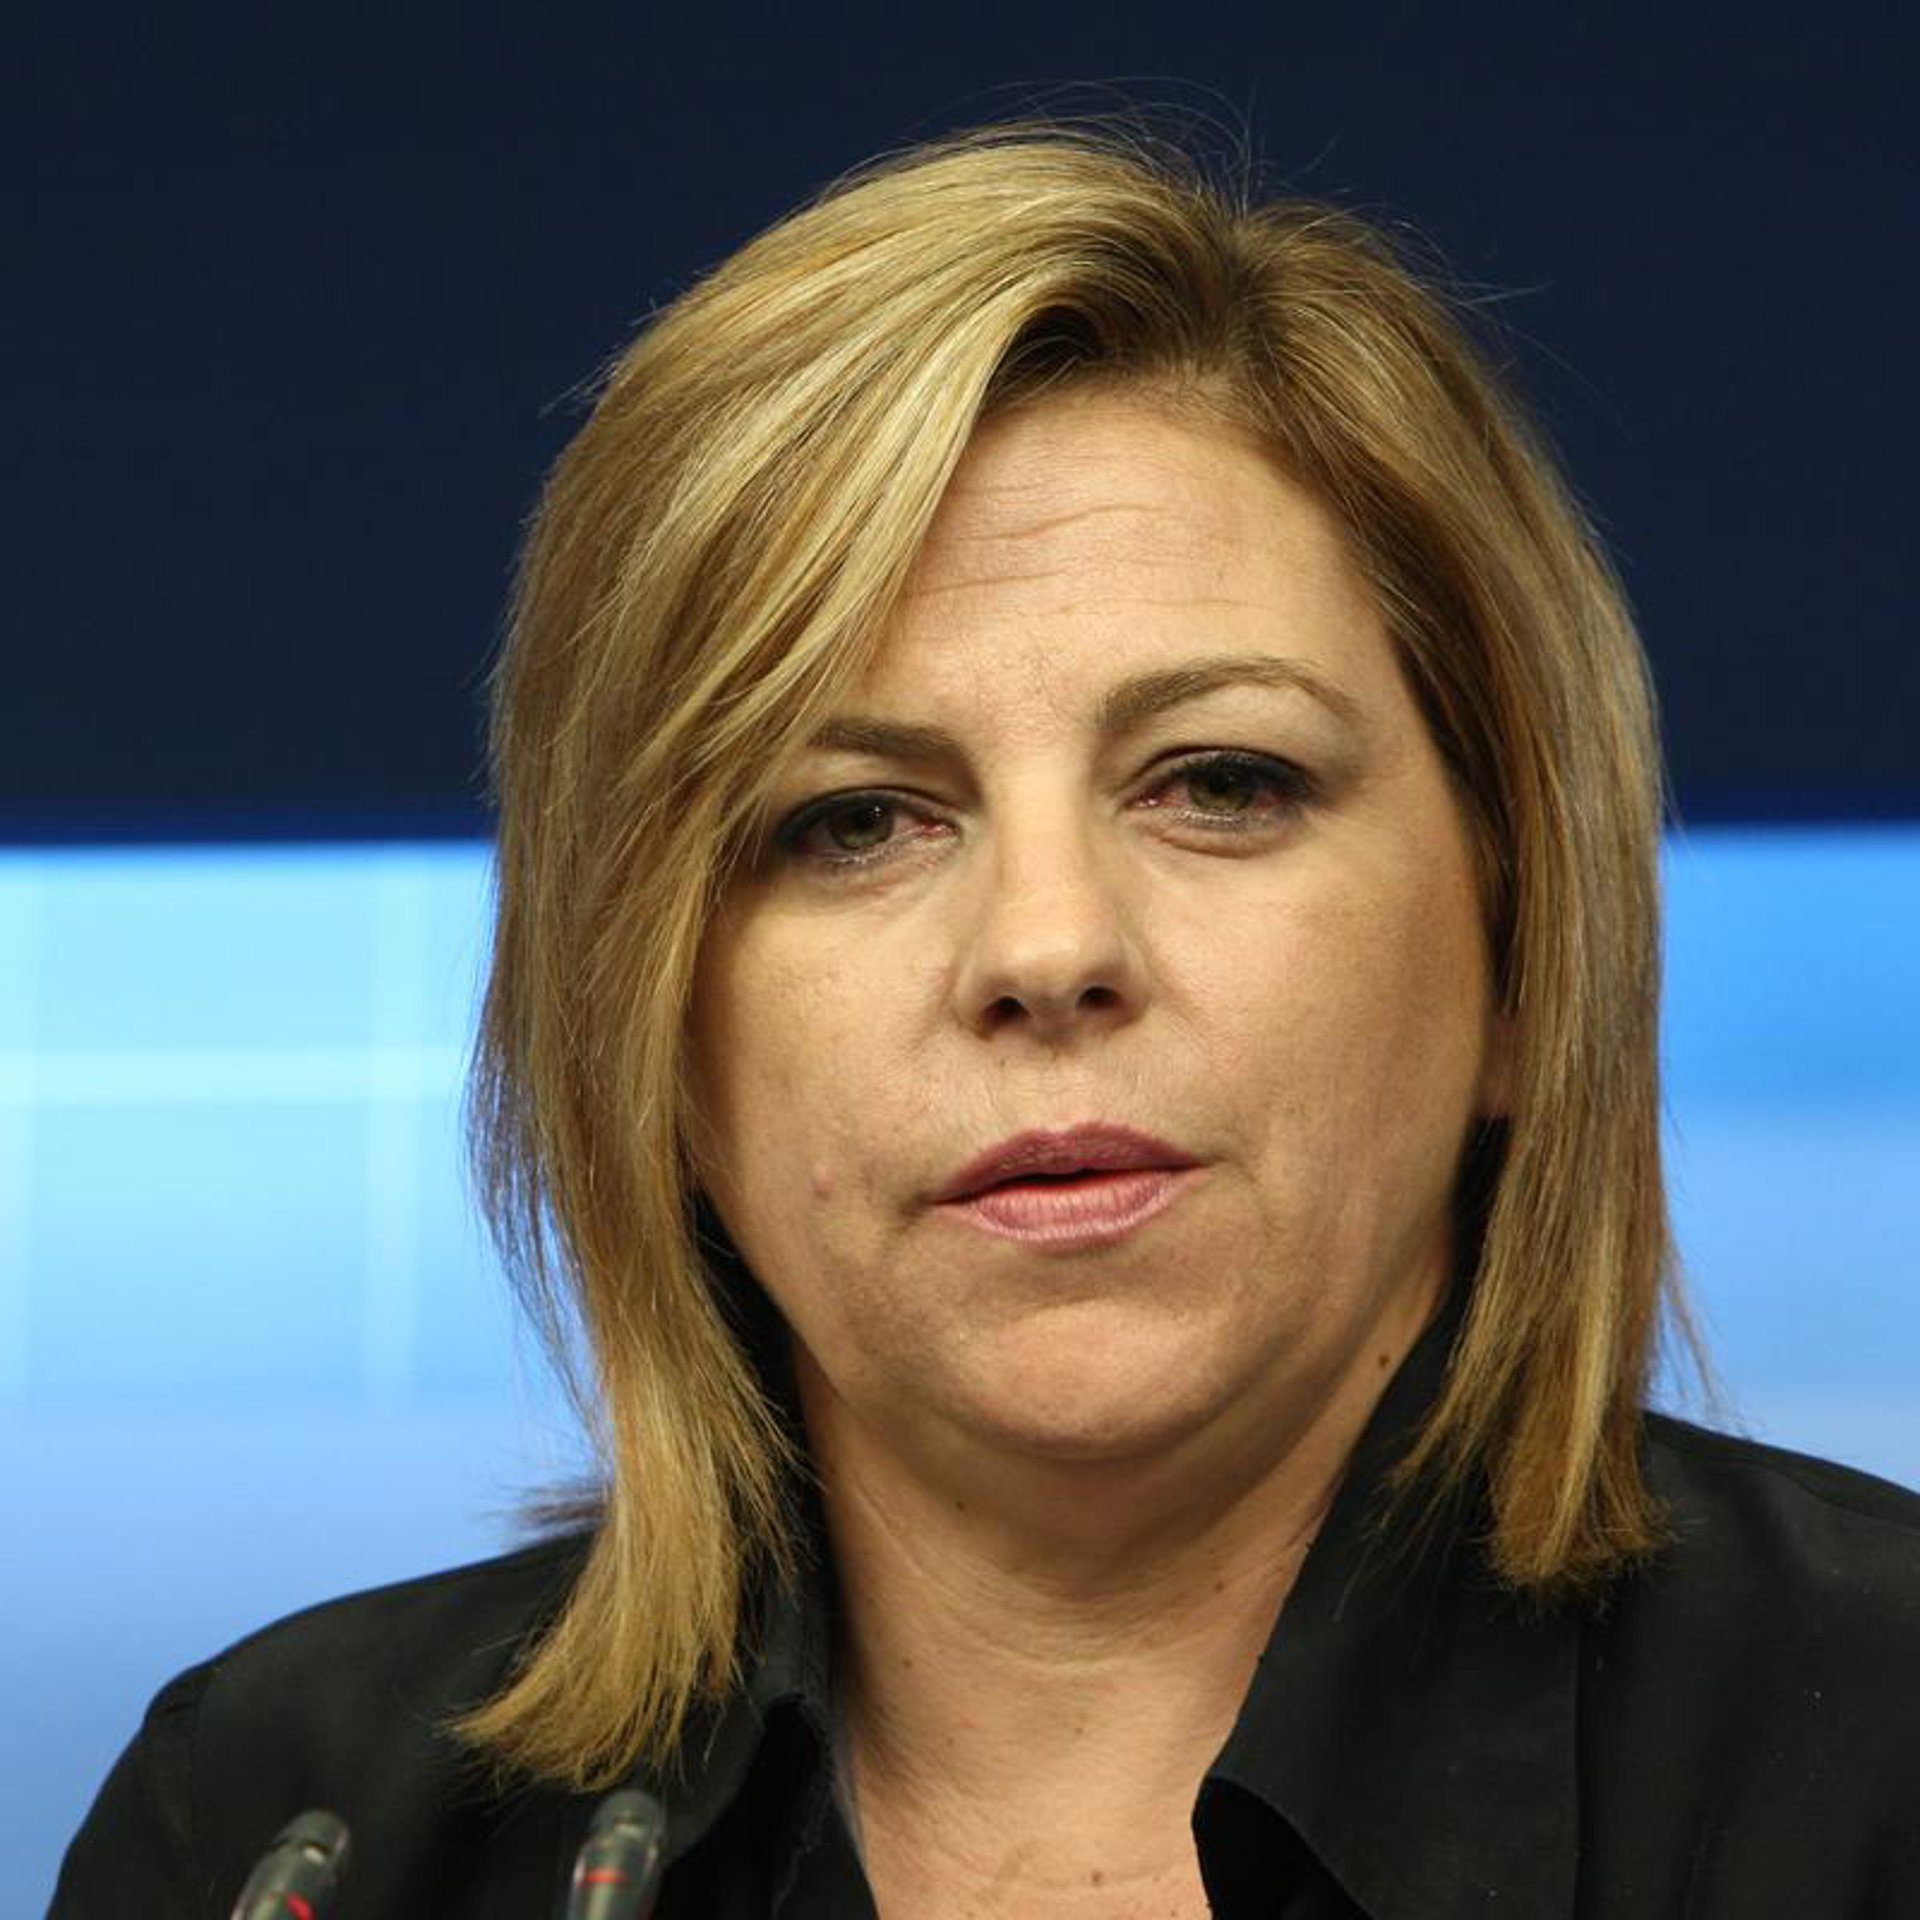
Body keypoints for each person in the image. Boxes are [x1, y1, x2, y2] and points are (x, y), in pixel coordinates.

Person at [54, 123, 1920, 1918]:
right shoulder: (282, 1839)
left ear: (1520, 950)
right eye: (850, 821)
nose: (1045, 946)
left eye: (1221, 782)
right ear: (649, 1042)